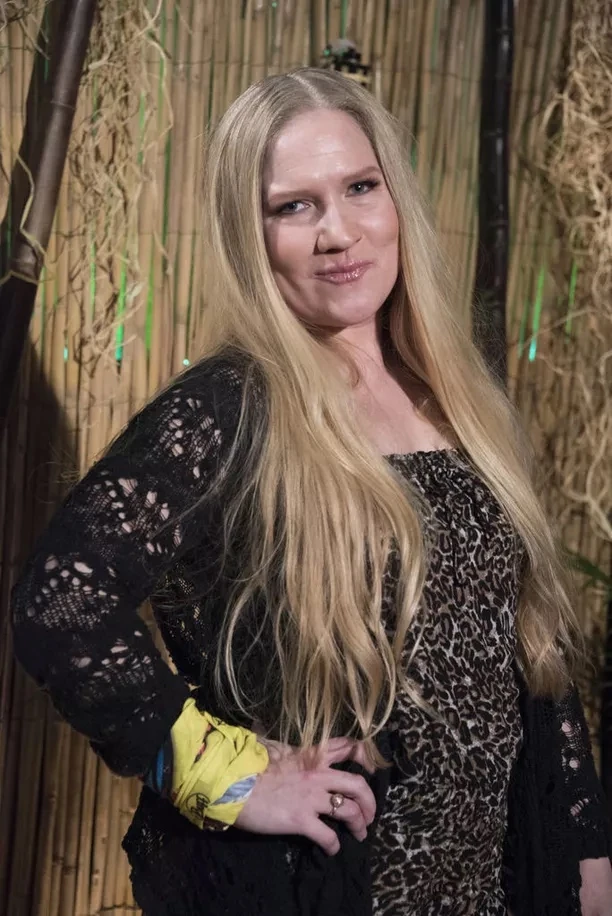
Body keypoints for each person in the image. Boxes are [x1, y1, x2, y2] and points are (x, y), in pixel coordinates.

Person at [10, 67, 612, 916]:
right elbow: (60, 602)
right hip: (330, 889)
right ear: (251, 236)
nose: (339, 232)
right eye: (294, 206)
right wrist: (225, 774)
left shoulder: (460, 397)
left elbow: (527, 652)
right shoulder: (229, 410)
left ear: (395, 198)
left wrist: (586, 851)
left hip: (492, 890)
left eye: (360, 187)